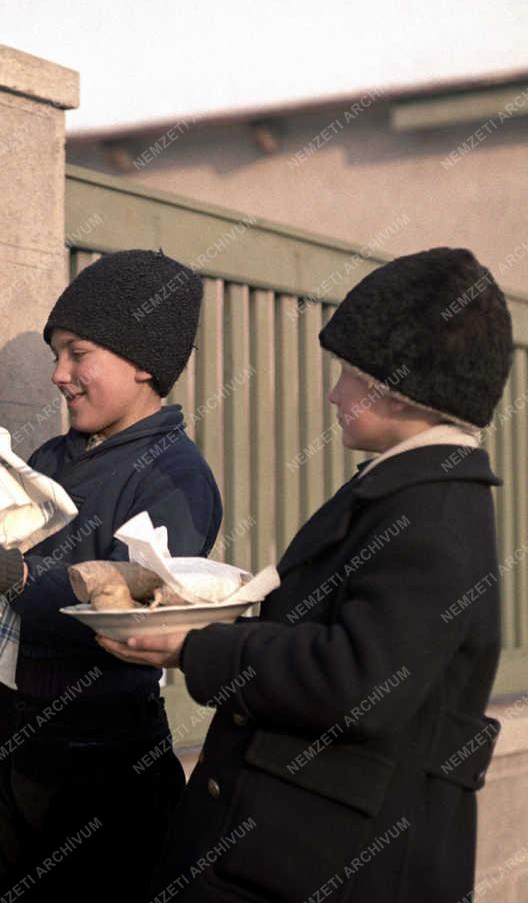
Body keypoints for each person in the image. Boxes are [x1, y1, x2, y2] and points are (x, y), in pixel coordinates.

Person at [102, 247, 513, 902]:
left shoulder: (429, 512)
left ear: (396, 386)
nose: (334, 391)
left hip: (319, 862)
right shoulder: (416, 493)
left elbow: (361, 681)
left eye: (350, 372)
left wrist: (194, 645)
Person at [0, 250, 224, 903]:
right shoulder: (50, 458)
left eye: (78, 354)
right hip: (8, 742)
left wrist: (17, 574)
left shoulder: (176, 476)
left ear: (143, 362)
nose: (59, 375)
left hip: (105, 761)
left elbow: (142, 598)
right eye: (56, 354)